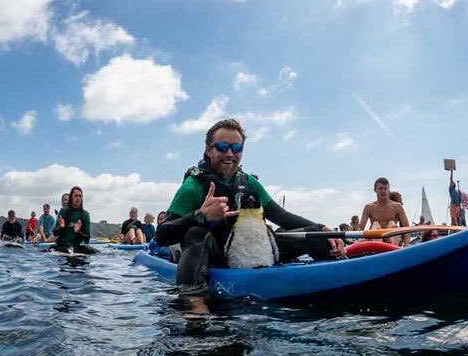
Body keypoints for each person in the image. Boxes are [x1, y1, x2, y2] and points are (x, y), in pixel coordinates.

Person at [156, 118, 345, 289]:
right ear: (208, 149)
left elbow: (281, 217)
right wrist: (200, 216)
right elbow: (162, 235)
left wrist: (324, 229)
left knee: (318, 235)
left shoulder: (248, 182)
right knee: (196, 233)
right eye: (222, 146)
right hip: (216, 255)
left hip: (255, 252)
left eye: (237, 148)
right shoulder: (192, 187)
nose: (230, 153)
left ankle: (338, 280)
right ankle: (195, 304)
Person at [359, 177, 411, 246]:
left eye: (385, 188)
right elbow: (360, 229)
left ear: (388, 190)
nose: (383, 191)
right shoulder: (369, 207)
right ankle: (378, 249)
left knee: (392, 223)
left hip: (392, 240)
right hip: (376, 240)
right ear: (375, 190)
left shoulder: (397, 206)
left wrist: (406, 245)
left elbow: (407, 228)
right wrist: (359, 241)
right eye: (380, 188)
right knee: (375, 224)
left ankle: (394, 250)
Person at [52, 186, 97, 254]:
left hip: (75, 248)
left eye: (80, 196)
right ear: (71, 197)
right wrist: (61, 227)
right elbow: (55, 233)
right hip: (61, 246)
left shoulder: (85, 215)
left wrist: (78, 231)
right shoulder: (63, 211)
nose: (78, 198)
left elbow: (87, 239)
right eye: (76, 196)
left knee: (95, 252)